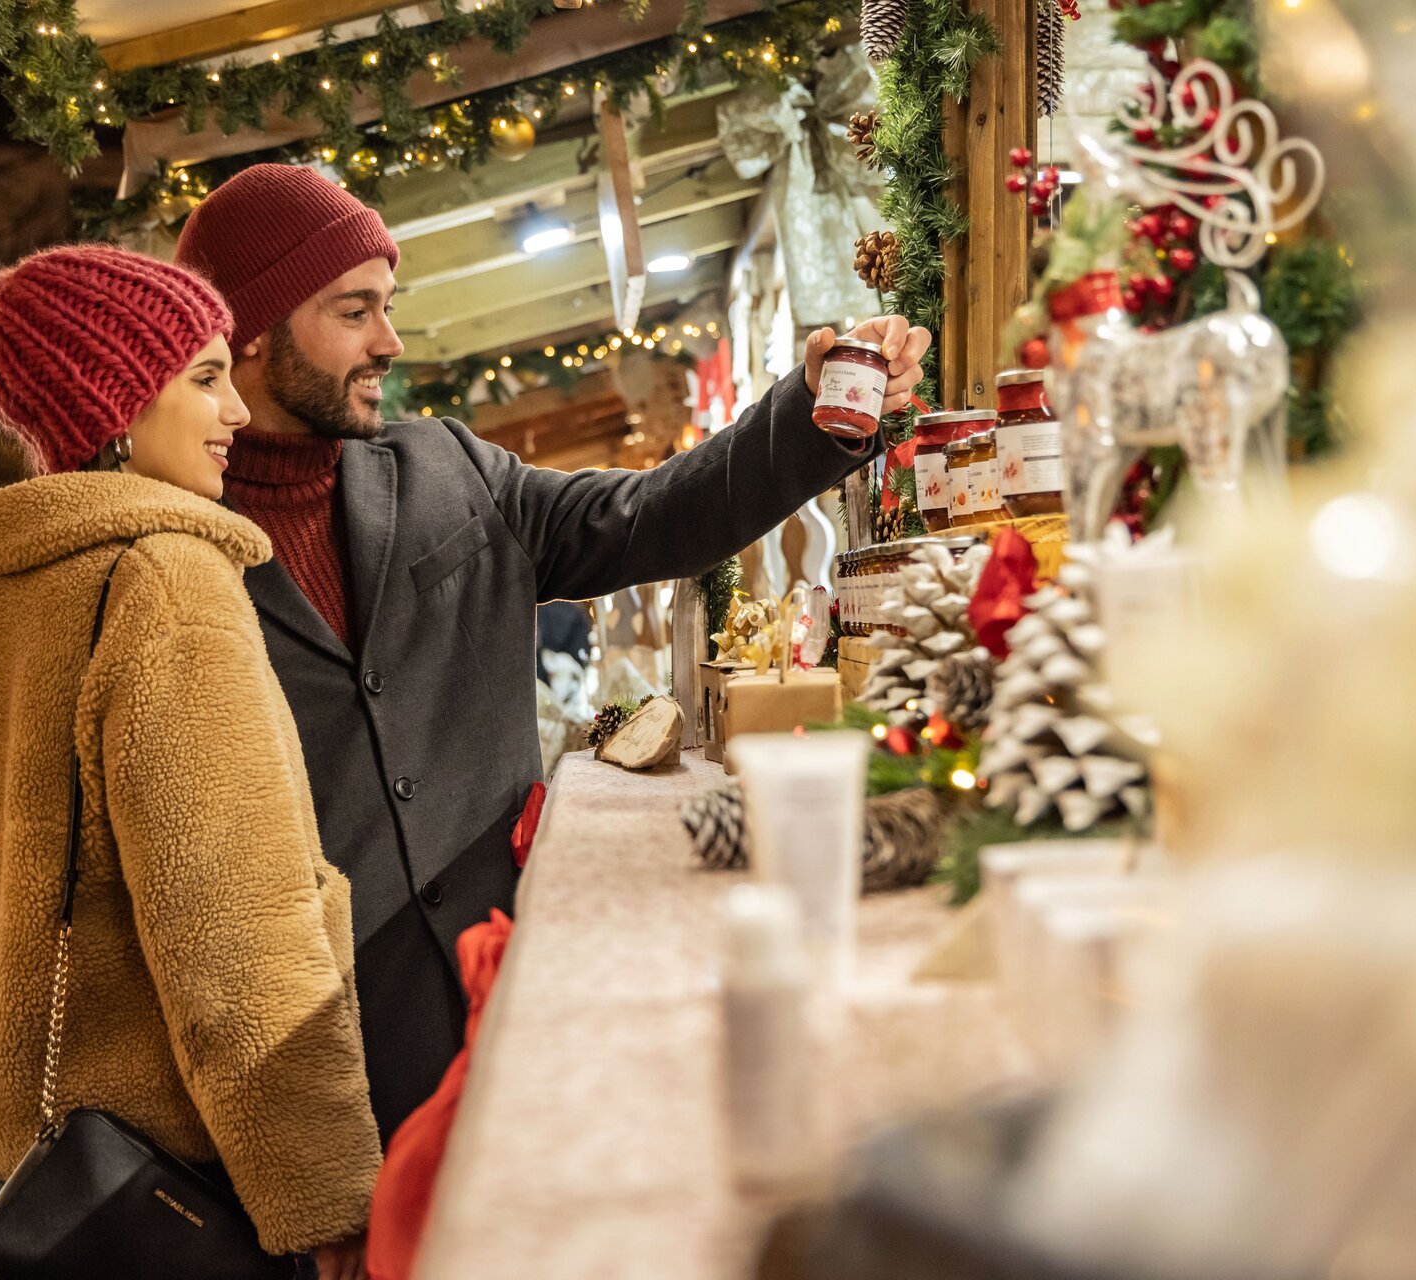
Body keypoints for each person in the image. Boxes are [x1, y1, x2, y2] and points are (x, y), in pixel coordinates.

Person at [175, 164, 931, 1143]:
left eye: (387, 307)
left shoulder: (447, 465)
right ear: (251, 331)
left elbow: (653, 514)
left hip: (509, 985)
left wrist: (810, 415)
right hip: (315, 1049)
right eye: (354, 311)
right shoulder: (167, 544)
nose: (389, 342)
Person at [0, 245, 381, 1280]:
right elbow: (236, 938)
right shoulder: (164, 580)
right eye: (204, 378)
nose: (237, 411)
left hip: (40, 1173)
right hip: (190, 1178)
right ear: (112, 406)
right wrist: (326, 1189)